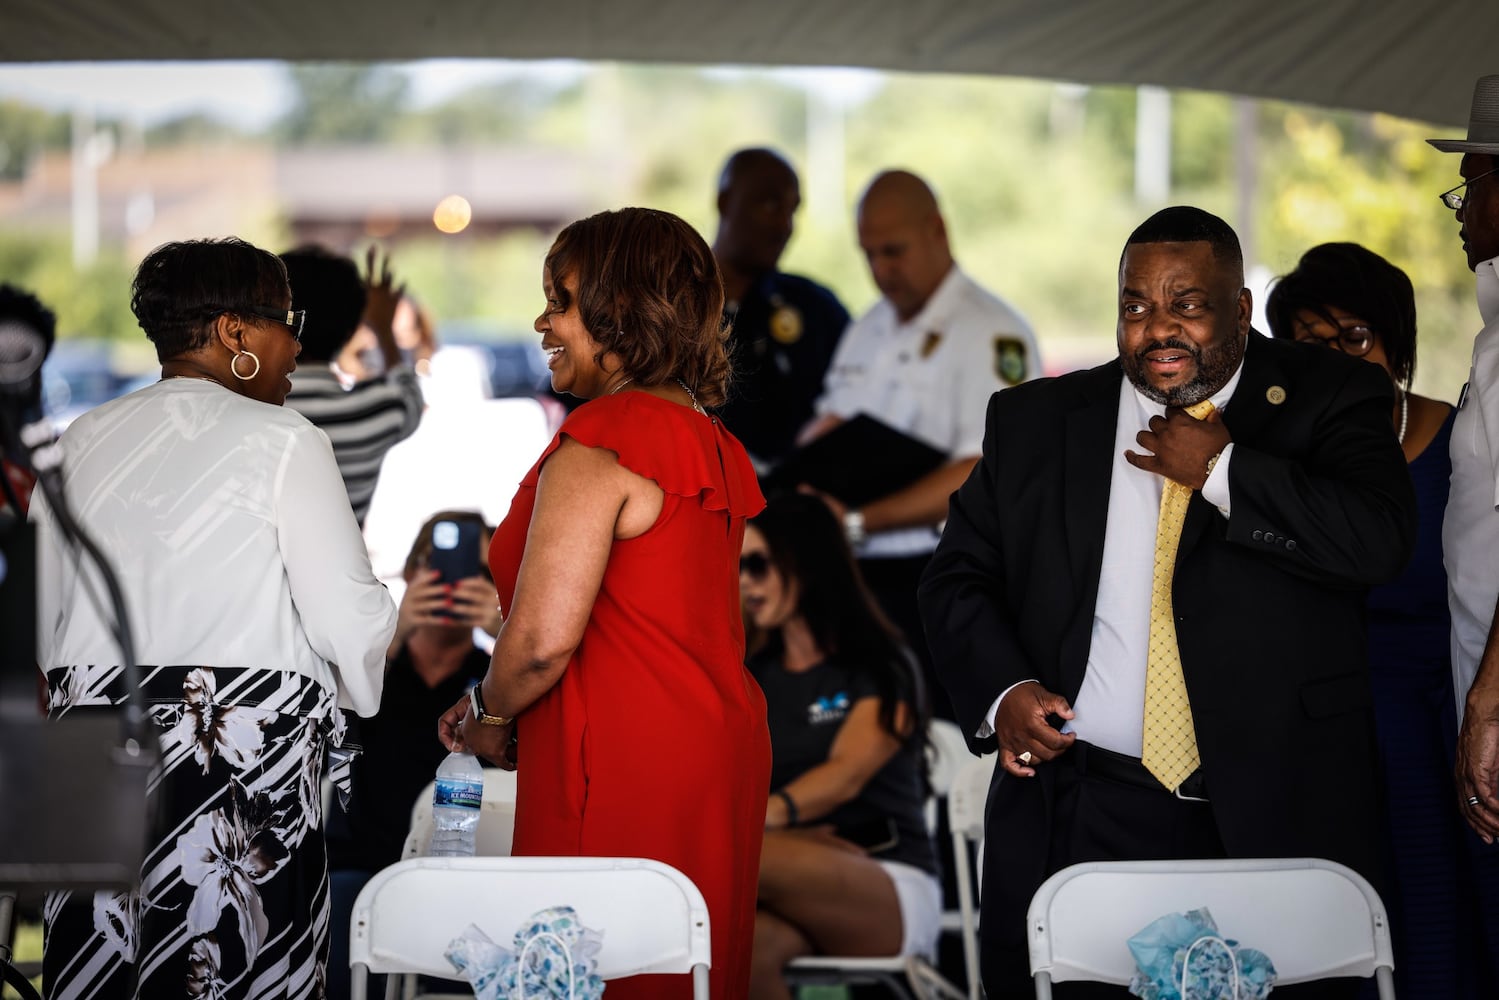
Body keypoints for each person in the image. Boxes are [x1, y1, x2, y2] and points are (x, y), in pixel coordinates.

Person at [918, 207, 1416, 998]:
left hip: (1275, 809)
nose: (1157, 329)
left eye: (1186, 304)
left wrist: (1224, 472)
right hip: (1085, 804)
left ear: (1240, 312)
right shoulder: (1036, 420)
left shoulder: (1332, 397)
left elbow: (1377, 543)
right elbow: (956, 578)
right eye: (1135, 306)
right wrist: (1004, 690)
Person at [32, 237, 397, 997]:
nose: (298, 341)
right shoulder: (286, 441)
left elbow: (41, 620)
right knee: (235, 969)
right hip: (237, 764)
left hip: (93, 758)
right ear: (234, 331)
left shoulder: (79, 442)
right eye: (286, 319)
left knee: (103, 975)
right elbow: (349, 617)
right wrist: (354, 695)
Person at [438, 207, 770, 1000]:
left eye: (559, 300)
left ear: (620, 309)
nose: (541, 321)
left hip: (623, 754)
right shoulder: (707, 437)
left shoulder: (607, 436)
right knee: (679, 966)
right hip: (708, 746)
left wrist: (484, 713)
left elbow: (543, 641)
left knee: (599, 971)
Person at [1267, 242, 1499, 997]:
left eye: (1353, 338)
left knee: (1440, 927)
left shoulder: (1459, 435)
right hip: (1320, 731)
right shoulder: (1273, 459)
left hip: (1436, 722)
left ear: (1395, 345)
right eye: (1311, 344)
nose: (1336, 359)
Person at [804, 169, 1040, 720]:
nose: (882, 270)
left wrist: (859, 520)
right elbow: (829, 425)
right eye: (869, 254)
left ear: (937, 230)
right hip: (855, 574)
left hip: (942, 574)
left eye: (894, 250)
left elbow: (983, 470)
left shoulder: (992, 332)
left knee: (940, 743)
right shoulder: (866, 329)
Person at [742, 492, 939, 1000]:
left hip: (885, 873)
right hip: (785, 868)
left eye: (757, 564)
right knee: (743, 960)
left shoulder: (881, 664)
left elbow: (845, 774)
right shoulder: (749, 677)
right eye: (735, 566)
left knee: (722, 851)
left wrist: (763, 820)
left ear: (803, 560)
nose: (743, 581)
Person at [324, 508, 501, 999]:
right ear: (410, 572)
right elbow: (330, 734)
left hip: (469, 874)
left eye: (480, 574)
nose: (456, 583)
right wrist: (391, 635)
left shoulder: (498, 684)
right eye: (438, 567)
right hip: (364, 868)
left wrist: (506, 632)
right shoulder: (370, 670)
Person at [712, 147, 851, 470]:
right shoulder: (664, 306)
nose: (785, 225)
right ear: (725, 201)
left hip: (794, 507)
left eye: (793, 210)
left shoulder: (816, 309)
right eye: (771, 204)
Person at [281, 244, 423, 525]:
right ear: (351, 327)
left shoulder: (244, 403)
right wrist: (382, 326)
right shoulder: (379, 411)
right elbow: (408, 393)